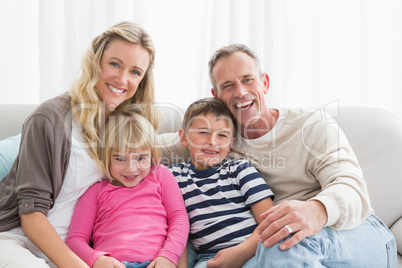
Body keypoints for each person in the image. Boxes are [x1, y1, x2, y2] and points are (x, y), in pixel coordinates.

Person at [161, 44, 397, 267]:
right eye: (228, 85)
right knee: (278, 242)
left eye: (247, 80)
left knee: (282, 241)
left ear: (264, 82)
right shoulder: (216, 142)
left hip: (352, 231)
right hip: (283, 244)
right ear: (216, 95)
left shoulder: (311, 125)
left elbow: (351, 188)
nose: (241, 92)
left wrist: (316, 210)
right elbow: (139, 147)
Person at [0, 21, 159, 268]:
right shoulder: (50, 119)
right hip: (16, 238)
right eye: (114, 64)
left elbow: (161, 160)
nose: (122, 79)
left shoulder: (128, 127)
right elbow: (31, 214)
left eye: (135, 72)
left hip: (78, 250)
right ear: (96, 62)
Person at [66, 110, 189, 268]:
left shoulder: (161, 175)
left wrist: (169, 257)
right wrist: (96, 259)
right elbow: (75, 238)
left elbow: (179, 217)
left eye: (141, 158)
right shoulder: (94, 191)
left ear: (152, 155)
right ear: (106, 157)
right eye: (120, 159)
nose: (131, 169)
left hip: (156, 263)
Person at [169, 97, 275, 268]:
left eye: (222, 135)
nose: (213, 142)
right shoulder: (173, 176)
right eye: (203, 132)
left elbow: (270, 221)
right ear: (184, 137)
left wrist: (242, 251)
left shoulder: (240, 169)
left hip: (253, 250)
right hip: (210, 258)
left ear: (231, 143)